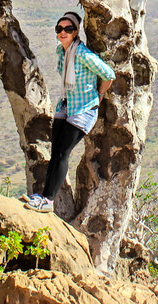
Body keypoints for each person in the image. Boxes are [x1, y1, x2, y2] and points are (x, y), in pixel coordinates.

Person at [21, 11, 115, 213]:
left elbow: (108, 74)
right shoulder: (61, 52)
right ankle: (44, 197)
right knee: (56, 152)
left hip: (83, 110)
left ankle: (48, 201)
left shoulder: (82, 54)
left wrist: (98, 96)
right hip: (66, 106)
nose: (63, 32)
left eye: (68, 29)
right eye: (60, 29)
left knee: (63, 152)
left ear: (76, 32)